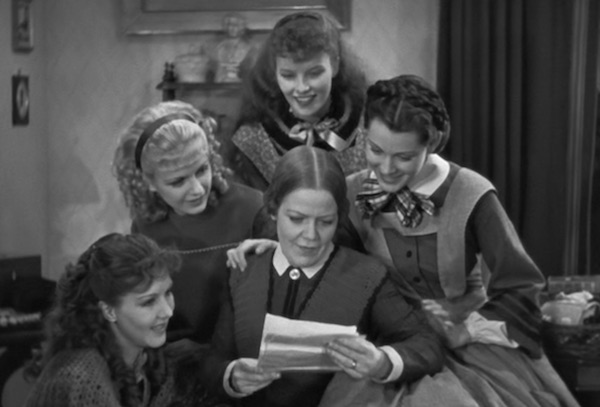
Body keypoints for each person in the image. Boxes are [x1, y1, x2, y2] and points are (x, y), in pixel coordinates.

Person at [228, 75, 582, 406]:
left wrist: (466, 328)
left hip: (466, 346)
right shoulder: (352, 191)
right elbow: (327, 249)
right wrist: (280, 249)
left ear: (432, 143)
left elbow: (521, 284)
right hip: (390, 343)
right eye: (376, 150)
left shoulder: (470, 192)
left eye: (404, 157)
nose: (385, 168)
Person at [203, 146, 444, 407]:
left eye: (325, 222)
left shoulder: (367, 275)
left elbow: (427, 346)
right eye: (297, 219)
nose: (311, 235)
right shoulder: (243, 270)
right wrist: (232, 377)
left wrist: (381, 362)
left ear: (339, 218)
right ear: (273, 211)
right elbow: (213, 363)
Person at [112, 100, 263, 344]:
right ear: (148, 182)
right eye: (178, 181)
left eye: (202, 170)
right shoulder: (144, 228)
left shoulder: (253, 209)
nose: (197, 189)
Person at [22, 233, 221, 407]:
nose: (168, 311)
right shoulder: (82, 375)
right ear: (109, 311)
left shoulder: (150, 361)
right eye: (148, 302)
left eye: (167, 293)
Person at [231, 11, 368, 191]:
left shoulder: (367, 126)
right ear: (275, 72)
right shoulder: (254, 138)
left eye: (314, 73)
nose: (302, 87)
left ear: (334, 65)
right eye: (288, 75)